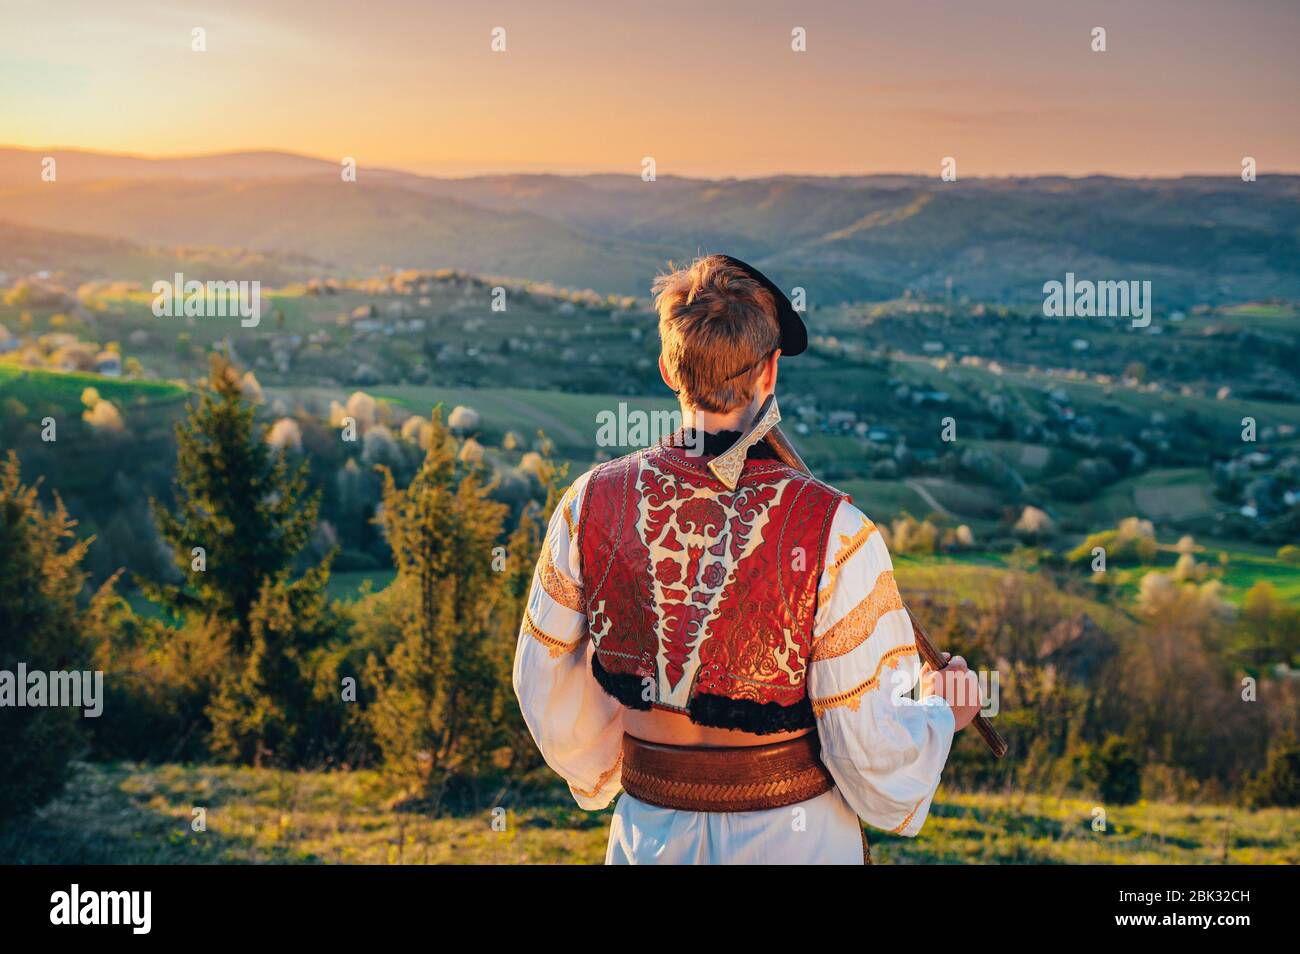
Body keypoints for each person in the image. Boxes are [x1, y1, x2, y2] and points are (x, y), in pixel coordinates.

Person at [513, 254, 983, 864]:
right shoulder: (836, 530)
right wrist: (941, 712)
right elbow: (870, 754)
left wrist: (611, 765)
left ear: (666, 369)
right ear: (770, 372)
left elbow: (542, 683)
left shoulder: (591, 502)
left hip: (649, 840)